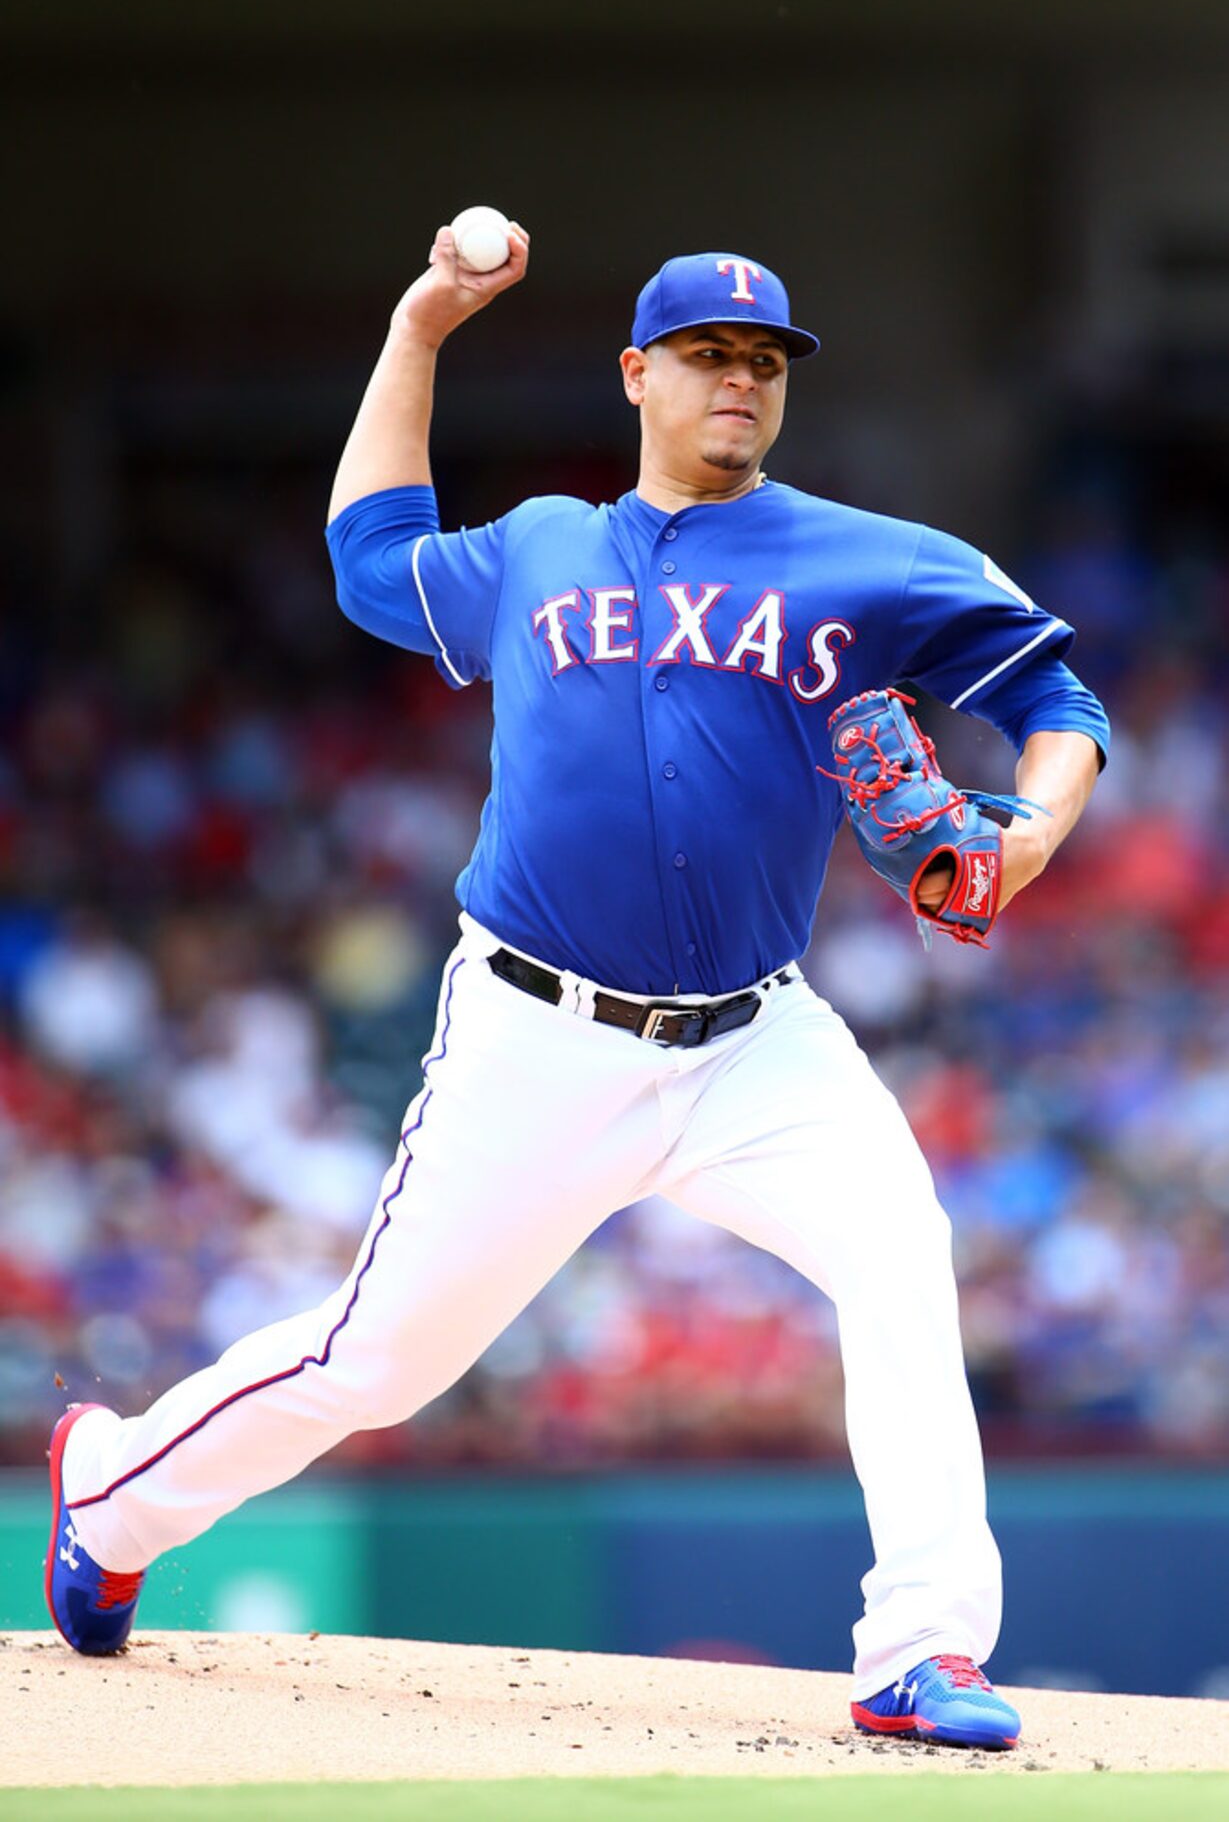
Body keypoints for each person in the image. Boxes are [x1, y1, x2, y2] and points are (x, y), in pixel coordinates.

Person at [46, 227, 1108, 1751]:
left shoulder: (866, 560)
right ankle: (109, 1492)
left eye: (763, 361)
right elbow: (366, 563)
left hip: (757, 1037)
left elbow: (1051, 697)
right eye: (707, 354)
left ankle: (919, 1648)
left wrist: (1025, 831)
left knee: (901, 1254)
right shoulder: (541, 545)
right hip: (538, 1030)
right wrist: (418, 325)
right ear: (638, 375)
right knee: (380, 1360)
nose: (739, 379)